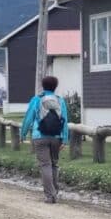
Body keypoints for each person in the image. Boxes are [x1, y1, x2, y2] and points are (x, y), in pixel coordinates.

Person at [21, 76, 69, 204]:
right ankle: (54, 192)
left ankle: (50, 195)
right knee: (54, 164)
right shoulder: (60, 101)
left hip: (39, 136)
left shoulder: (37, 99)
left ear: (43, 86)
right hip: (56, 137)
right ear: (55, 86)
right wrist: (65, 139)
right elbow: (64, 120)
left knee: (45, 165)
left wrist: (23, 133)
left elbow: (28, 118)